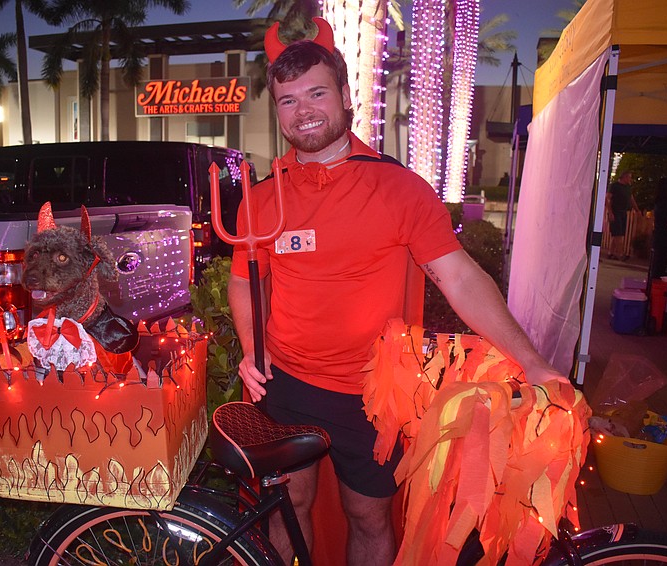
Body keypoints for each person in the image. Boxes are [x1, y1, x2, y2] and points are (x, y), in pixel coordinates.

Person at [227, 17, 565, 566]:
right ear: (278, 112)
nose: (303, 110)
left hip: (369, 395)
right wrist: (250, 349)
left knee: (369, 517)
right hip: (285, 383)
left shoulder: (398, 188)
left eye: (316, 93)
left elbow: (459, 278)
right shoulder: (262, 198)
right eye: (288, 100)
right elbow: (244, 282)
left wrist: (531, 361)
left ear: (345, 96)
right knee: (288, 508)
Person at [605, 170, 640, 260]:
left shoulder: (628, 187)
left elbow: (631, 199)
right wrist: (610, 212)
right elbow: (608, 198)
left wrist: (637, 209)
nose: (630, 179)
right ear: (624, 177)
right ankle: (620, 254)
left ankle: (611, 252)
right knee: (618, 234)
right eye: (629, 177)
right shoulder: (614, 186)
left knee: (617, 233)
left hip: (623, 212)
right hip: (615, 212)